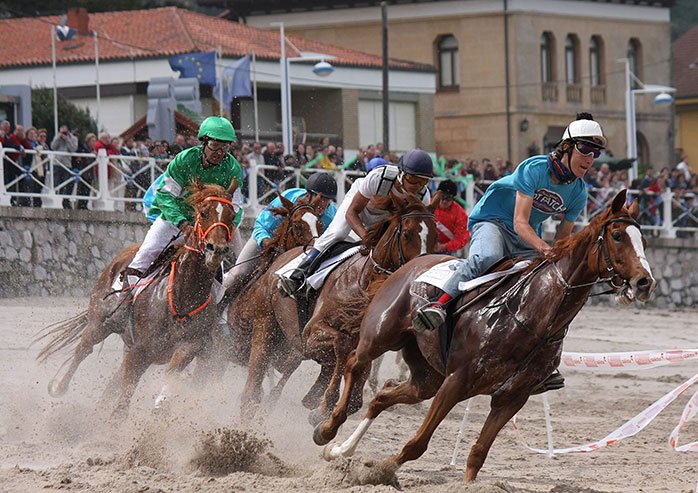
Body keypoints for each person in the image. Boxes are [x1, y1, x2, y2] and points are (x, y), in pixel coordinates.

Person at [414, 112, 606, 391]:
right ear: (566, 147)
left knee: (543, 287)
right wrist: (543, 248)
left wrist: (557, 265)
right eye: (585, 149)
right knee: (487, 258)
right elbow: (519, 222)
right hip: (492, 221)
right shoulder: (535, 168)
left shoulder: (578, 192)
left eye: (596, 153)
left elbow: (562, 241)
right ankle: (439, 303)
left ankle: (541, 363)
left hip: (525, 237)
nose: (590, 158)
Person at [278, 148, 434, 296]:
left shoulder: (423, 197)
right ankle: (299, 273)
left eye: (423, 181)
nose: (417, 186)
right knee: (338, 232)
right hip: (359, 207)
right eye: (413, 179)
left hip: (384, 217)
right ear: (400, 173)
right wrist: (366, 238)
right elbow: (351, 213)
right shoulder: (379, 178)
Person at [121, 116, 244, 288]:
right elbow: (164, 196)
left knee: (229, 270)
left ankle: (221, 311)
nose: (219, 153)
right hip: (175, 220)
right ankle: (122, 297)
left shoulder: (233, 168)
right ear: (204, 142)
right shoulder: (184, 160)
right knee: (146, 255)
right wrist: (183, 224)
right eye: (215, 146)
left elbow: (236, 207)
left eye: (225, 147)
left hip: (208, 226)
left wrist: (225, 229)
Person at [221, 172, 339, 299]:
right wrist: (266, 242)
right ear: (308, 195)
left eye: (327, 200)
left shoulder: (331, 217)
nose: (323, 204)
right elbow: (262, 225)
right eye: (320, 198)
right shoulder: (288, 198)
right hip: (267, 239)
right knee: (240, 272)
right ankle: (218, 305)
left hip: (300, 251)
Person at [433, 180, 470, 254]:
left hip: (447, 251)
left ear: (453, 198)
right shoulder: (428, 205)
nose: (444, 201)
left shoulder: (460, 213)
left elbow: (462, 239)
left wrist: (444, 247)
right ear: (437, 195)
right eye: (442, 197)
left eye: (448, 198)